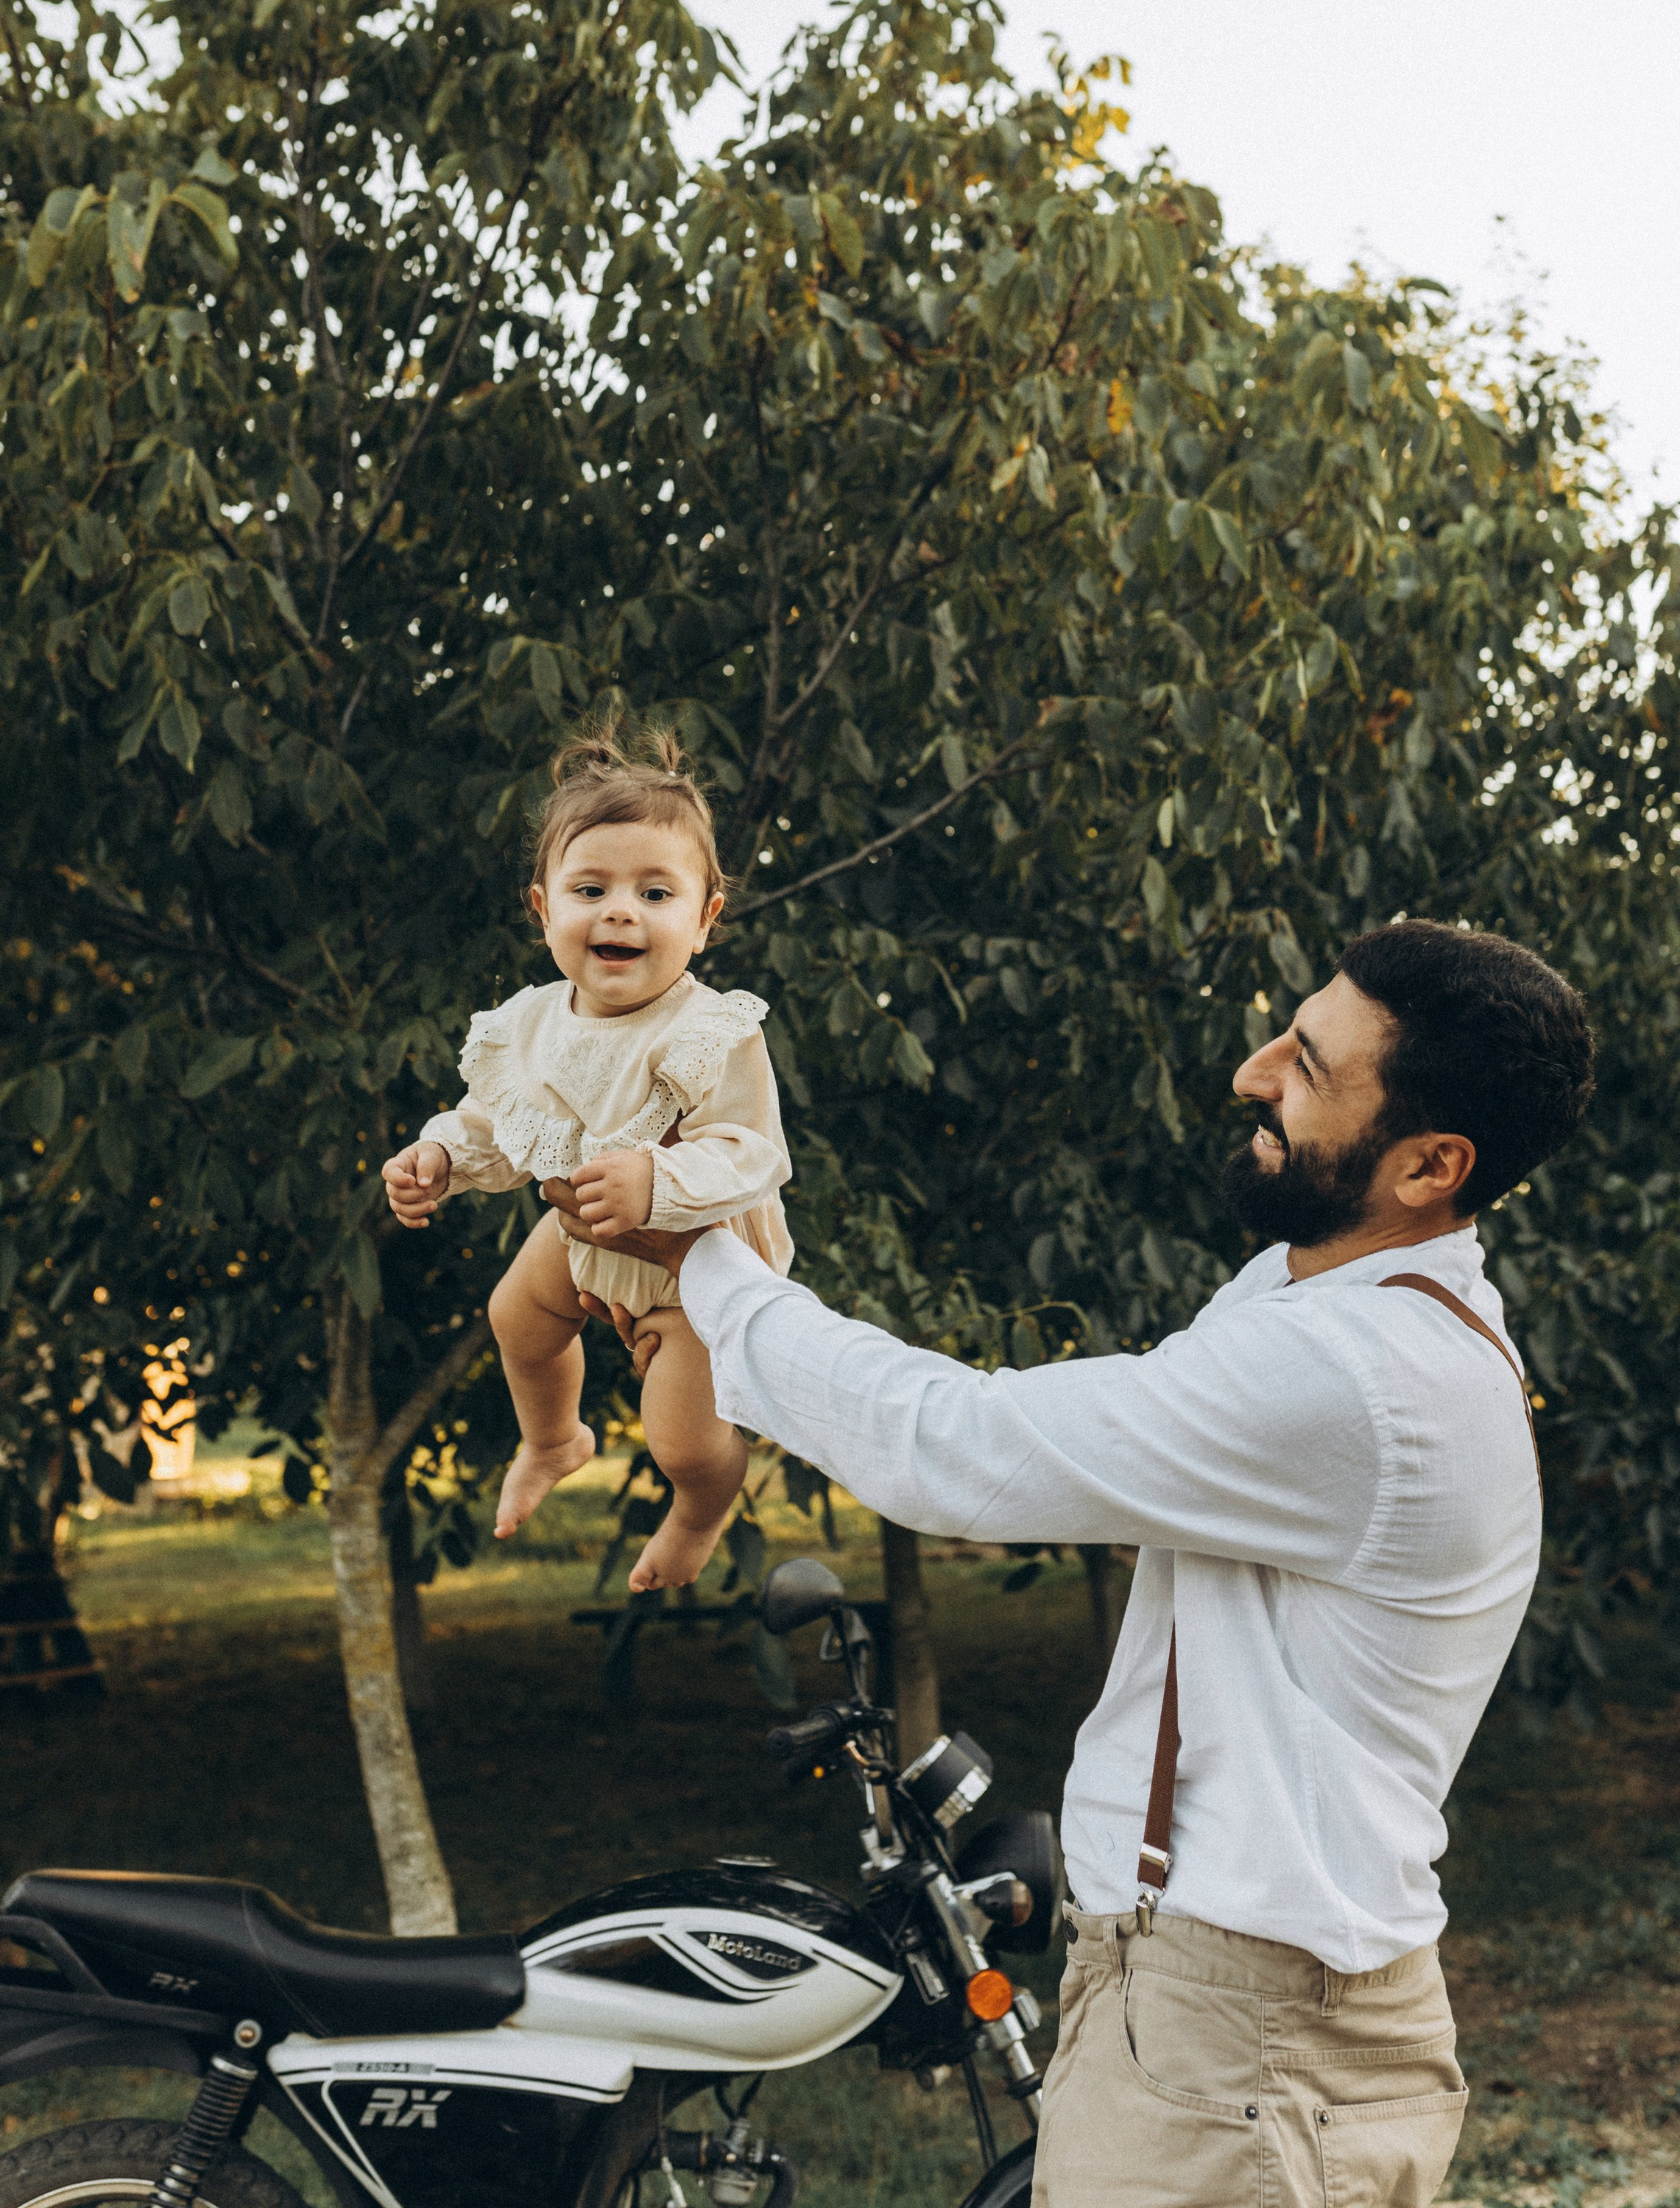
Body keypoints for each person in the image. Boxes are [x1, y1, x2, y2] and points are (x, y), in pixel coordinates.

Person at [555, 917, 1593, 2208]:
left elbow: (971, 1451)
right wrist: (741, 1256)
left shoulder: (1360, 1377)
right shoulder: (1311, 1295)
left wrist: (701, 1258)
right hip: (1216, 2004)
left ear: (1433, 1164)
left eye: (1311, 1067)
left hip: (1246, 2036)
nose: (1253, 1070)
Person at [379, 730, 791, 1588]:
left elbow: (753, 1154)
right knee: (516, 1317)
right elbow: (495, 1122)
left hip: (703, 1259)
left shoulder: (709, 1028)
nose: (620, 911)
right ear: (543, 909)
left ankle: (701, 1508)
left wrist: (661, 1181)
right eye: (591, 888)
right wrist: (440, 1158)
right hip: (586, 1235)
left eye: (655, 891)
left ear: (705, 919)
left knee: (681, 1439)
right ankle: (553, 1439)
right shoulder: (527, 1025)